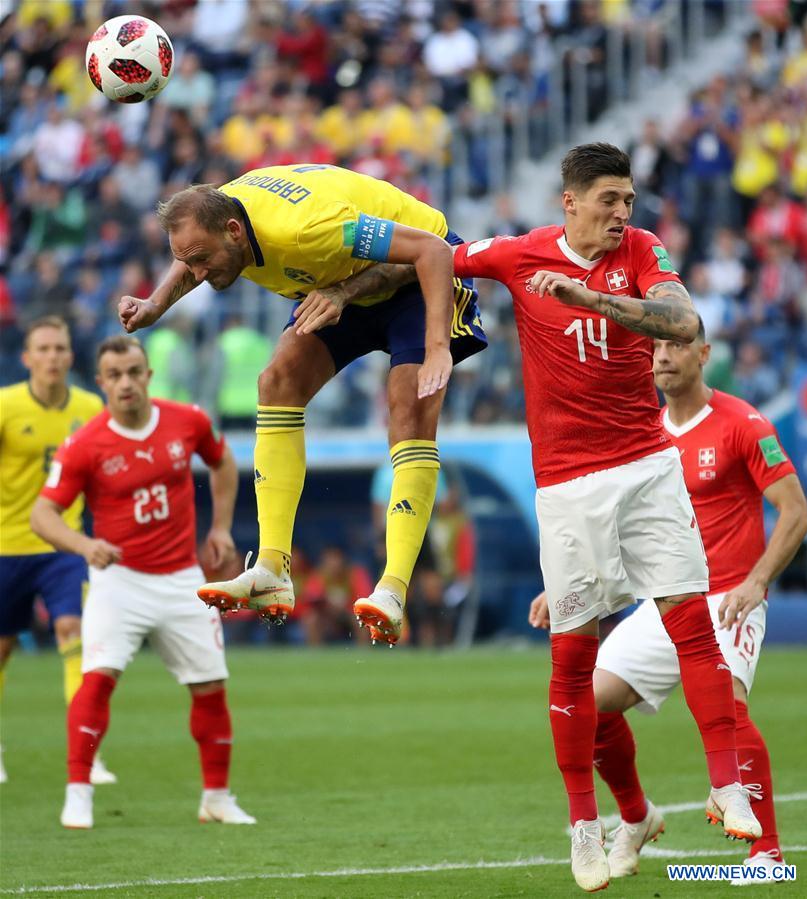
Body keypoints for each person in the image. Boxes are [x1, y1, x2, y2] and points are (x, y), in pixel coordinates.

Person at [451, 143, 758, 892]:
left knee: (692, 624)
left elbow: (681, 319)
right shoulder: (519, 255)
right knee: (571, 662)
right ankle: (585, 827)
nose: (622, 213)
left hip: (648, 467)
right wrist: (342, 282)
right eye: (609, 200)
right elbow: (435, 255)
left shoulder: (642, 251)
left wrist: (589, 300)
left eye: (628, 200)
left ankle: (726, 784)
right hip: (567, 487)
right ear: (570, 201)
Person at [117, 164, 486, 647]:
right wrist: (155, 304)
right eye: (190, 262)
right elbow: (190, 256)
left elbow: (432, 250)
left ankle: (394, 590)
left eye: (203, 260)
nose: (200, 274)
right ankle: (272, 569)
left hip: (419, 276)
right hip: (340, 284)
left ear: (234, 231)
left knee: (407, 409)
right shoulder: (218, 216)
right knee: (276, 383)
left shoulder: (305, 228)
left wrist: (438, 347)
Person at [529, 320, 807, 884]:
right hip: (663, 603)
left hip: (727, 599)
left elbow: (795, 510)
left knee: (731, 709)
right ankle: (636, 816)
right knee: (589, 704)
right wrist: (565, 584)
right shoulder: (641, 432)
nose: (662, 356)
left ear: (703, 353)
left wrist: (755, 582)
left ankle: (767, 855)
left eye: (675, 344)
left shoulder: (743, 423)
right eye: (653, 346)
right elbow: (612, 524)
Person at [30, 336, 254, 829]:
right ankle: (78, 793)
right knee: (97, 679)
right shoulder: (85, 444)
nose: (126, 383)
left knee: (211, 686)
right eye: (115, 375)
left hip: (182, 579)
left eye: (134, 372)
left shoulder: (188, 420)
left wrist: (220, 527)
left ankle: (216, 798)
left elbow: (223, 461)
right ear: (101, 383)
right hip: (120, 581)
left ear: (149, 375)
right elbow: (42, 514)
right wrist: (83, 545)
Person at [0, 316, 114, 786]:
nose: (52, 356)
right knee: (3, 647)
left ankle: (86, 753)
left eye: (60, 348)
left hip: (64, 544)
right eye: (43, 349)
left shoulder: (90, 408)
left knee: (74, 631)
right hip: (6, 544)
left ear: (70, 356)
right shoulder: (6, 406)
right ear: (27, 358)